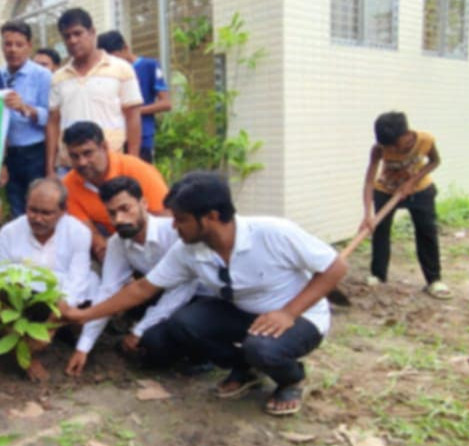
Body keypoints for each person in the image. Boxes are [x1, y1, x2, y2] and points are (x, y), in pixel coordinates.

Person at [62, 172, 347, 417]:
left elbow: (335, 267)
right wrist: (83, 315)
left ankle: (291, 379)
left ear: (210, 217)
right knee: (183, 324)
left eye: (181, 219)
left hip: (299, 316)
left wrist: (289, 312)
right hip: (242, 312)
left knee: (261, 347)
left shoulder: (274, 233)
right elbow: (142, 289)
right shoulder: (189, 249)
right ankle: (244, 369)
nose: (174, 226)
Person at [66, 177, 198, 378]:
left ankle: (201, 357)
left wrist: (141, 329)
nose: (119, 219)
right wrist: (83, 347)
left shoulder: (172, 233)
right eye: (111, 213)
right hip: (159, 295)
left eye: (125, 208)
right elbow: (108, 292)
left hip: (198, 295)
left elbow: (184, 288)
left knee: (161, 335)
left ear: (143, 204)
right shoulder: (118, 244)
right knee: (150, 343)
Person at [0, 178, 96, 381]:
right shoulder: (9, 232)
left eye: (46, 213)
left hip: (61, 303)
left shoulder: (78, 232)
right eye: (32, 210)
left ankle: (66, 335)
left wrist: (49, 329)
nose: (37, 218)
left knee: (88, 299)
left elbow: (77, 281)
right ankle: (20, 353)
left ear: (63, 211)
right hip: (22, 304)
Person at [360, 111, 451, 299]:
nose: (392, 149)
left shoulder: (425, 140)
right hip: (386, 190)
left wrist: (413, 181)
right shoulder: (379, 148)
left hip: (420, 190)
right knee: (380, 231)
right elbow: (369, 180)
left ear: (407, 133)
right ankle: (378, 275)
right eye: (388, 146)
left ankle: (434, 280)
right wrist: (367, 214)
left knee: (426, 231)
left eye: (395, 144)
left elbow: (435, 161)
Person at [45, 8, 143, 175]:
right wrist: (49, 168)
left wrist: (132, 162)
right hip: (70, 165)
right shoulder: (58, 77)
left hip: (111, 162)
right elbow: (53, 123)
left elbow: (133, 116)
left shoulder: (121, 69)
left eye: (78, 33)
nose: (73, 40)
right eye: (67, 36)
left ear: (92, 32)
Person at [61, 121, 169, 261]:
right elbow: (90, 236)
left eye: (88, 153)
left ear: (104, 147)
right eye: (74, 156)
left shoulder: (138, 170)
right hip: (115, 247)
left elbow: (166, 220)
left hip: (155, 245)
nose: (82, 162)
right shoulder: (68, 185)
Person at [0, 21, 52, 217]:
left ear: (29, 46)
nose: (12, 50)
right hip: (8, 153)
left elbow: (51, 116)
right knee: (15, 207)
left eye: (19, 45)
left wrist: (25, 109)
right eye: (8, 44)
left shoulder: (42, 75)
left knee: (37, 205)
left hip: (34, 153)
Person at [97, 30, 171, 163]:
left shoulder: (149, 66)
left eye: (115, 58)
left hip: (142, 135)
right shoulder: (106, 72)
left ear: (125, 48)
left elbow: (166, 103)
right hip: (115, 137)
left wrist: (134, 111)